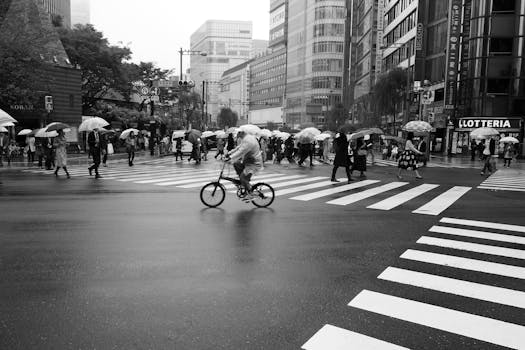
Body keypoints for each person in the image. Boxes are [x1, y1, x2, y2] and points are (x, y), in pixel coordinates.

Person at [226, 130, 263, 200]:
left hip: (253, 163)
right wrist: (229, 153)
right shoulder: (246, 138)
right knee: (236, 163)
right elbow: (239, 147)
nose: (237, 136)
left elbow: (241, 151)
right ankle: (243, 183)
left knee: (243, 178)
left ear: (241, 133)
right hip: (248, 161)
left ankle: (250, 193)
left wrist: (230, 157)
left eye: (238, 134)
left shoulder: (248, 140)